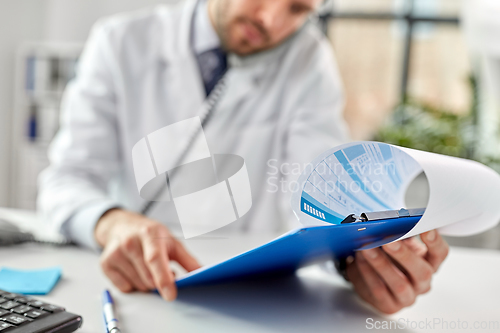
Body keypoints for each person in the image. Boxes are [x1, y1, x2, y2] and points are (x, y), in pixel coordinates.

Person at [38, 0, 449, 314]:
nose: (270, 20)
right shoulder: (119, 42)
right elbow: (65, 180)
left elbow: (318, 195)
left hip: (248, 301)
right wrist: (111, 221)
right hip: (136, 290)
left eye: (298, 8)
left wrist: (355, 261)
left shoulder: (308, 60)